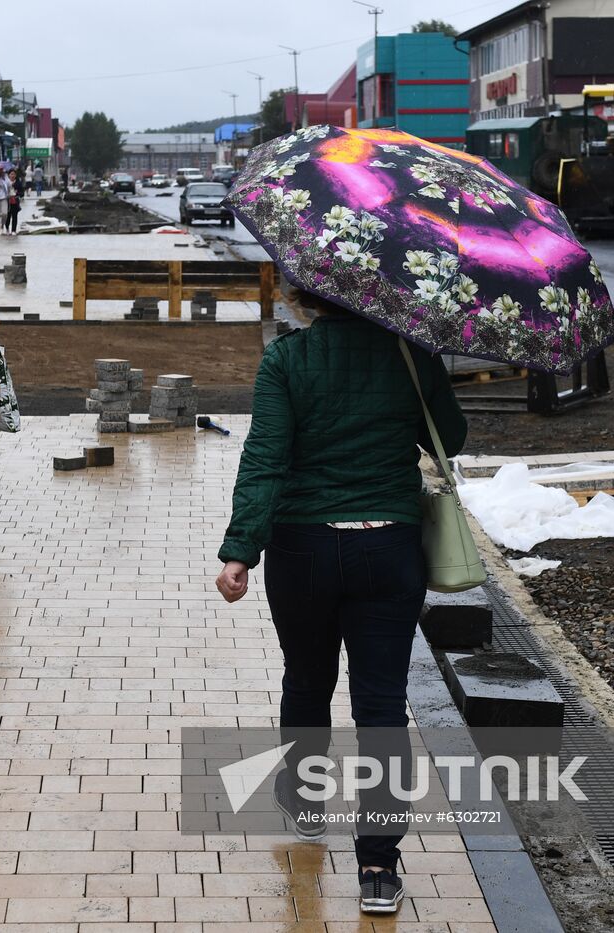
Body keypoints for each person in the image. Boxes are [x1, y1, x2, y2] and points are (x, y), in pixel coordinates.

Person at [215, 292, 466, 917]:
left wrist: (241, 550)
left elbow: (265, 458)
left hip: (302, 549)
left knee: (306, 679)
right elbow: (451, 439)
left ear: (309, 294)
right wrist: (425, 370)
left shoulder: (287, 359)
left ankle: (305, 803)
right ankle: (379, 867)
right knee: (381, 704)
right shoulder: (412, 356)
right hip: (389, 547)